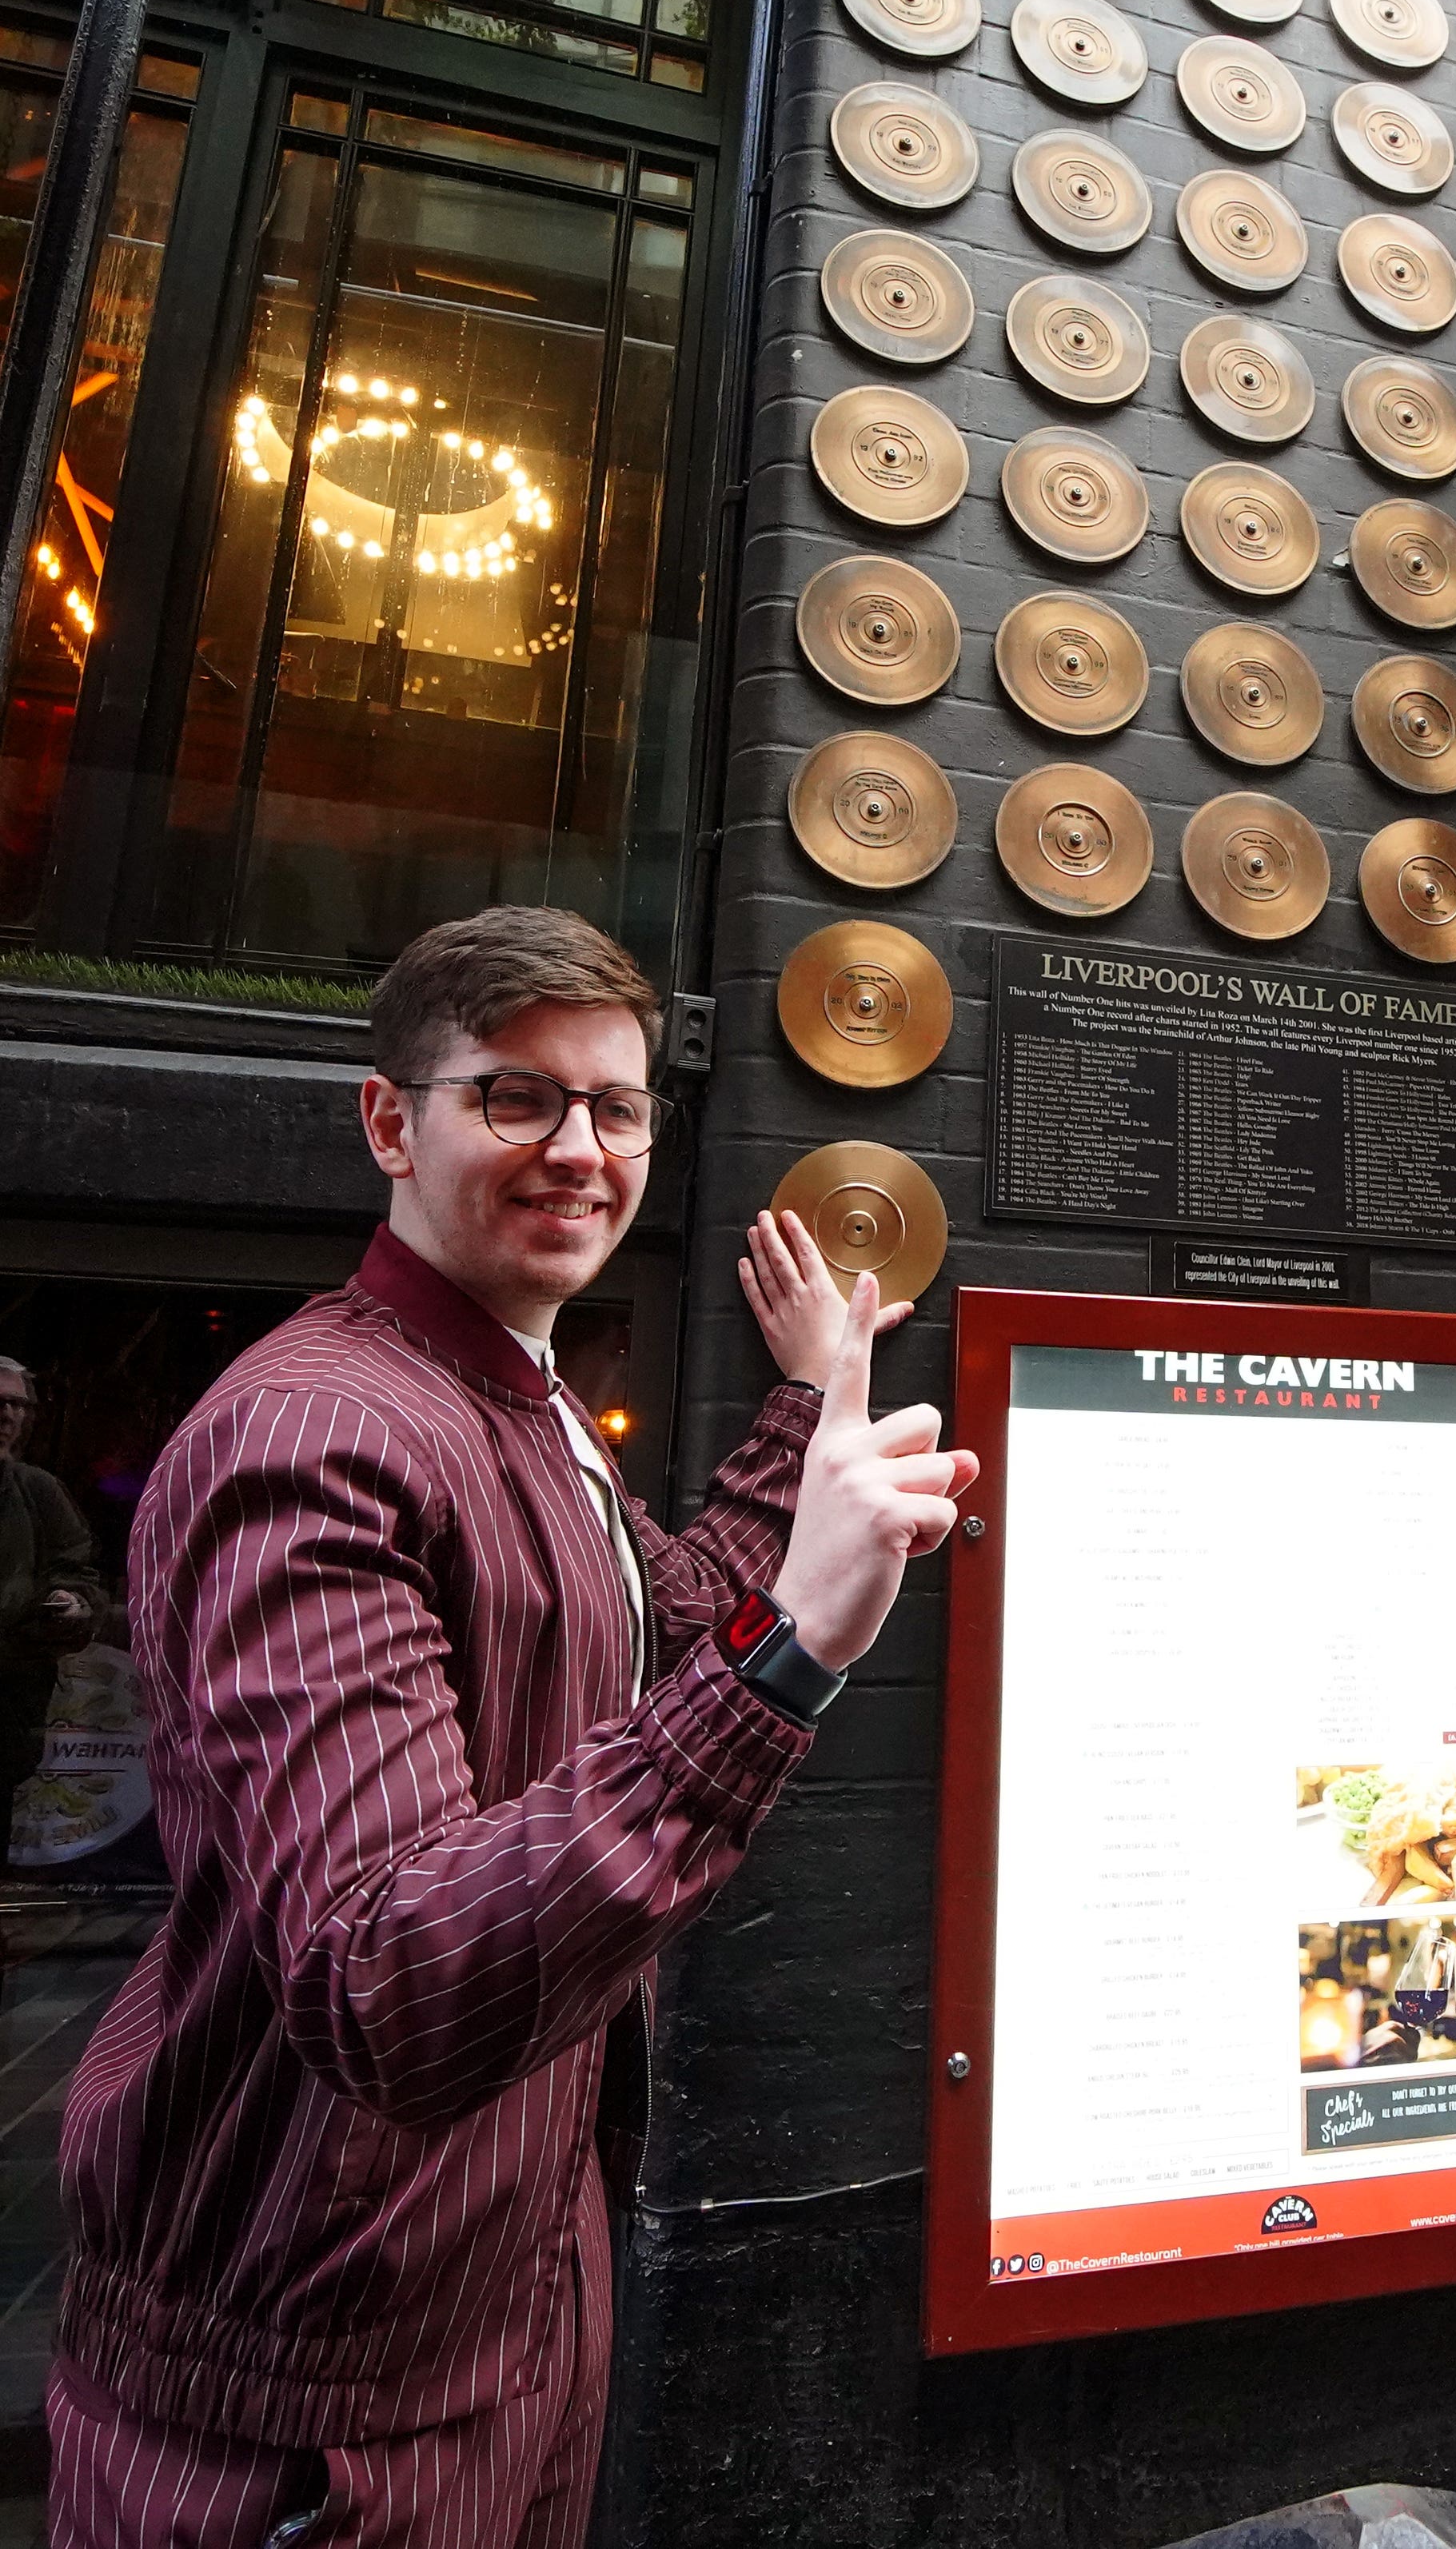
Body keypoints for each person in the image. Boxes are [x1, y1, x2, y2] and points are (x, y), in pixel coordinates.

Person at [44, 906, 976, 2549]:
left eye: (616, 1109)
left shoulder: (521, 1398)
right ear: (391, 1123)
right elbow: (387, 1977)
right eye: (517, 1098)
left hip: (502, 2307)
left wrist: (810, 1410)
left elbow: (650, 1623)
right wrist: (795, 1649)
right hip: (311, 2410)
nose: (582, 1150)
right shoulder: (314, 1439)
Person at [0, 1357, 102, 1806]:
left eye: (17, 1405)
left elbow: (79, 1573)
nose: (7, 1415)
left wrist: (72, 1601)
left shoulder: (37, 1490)